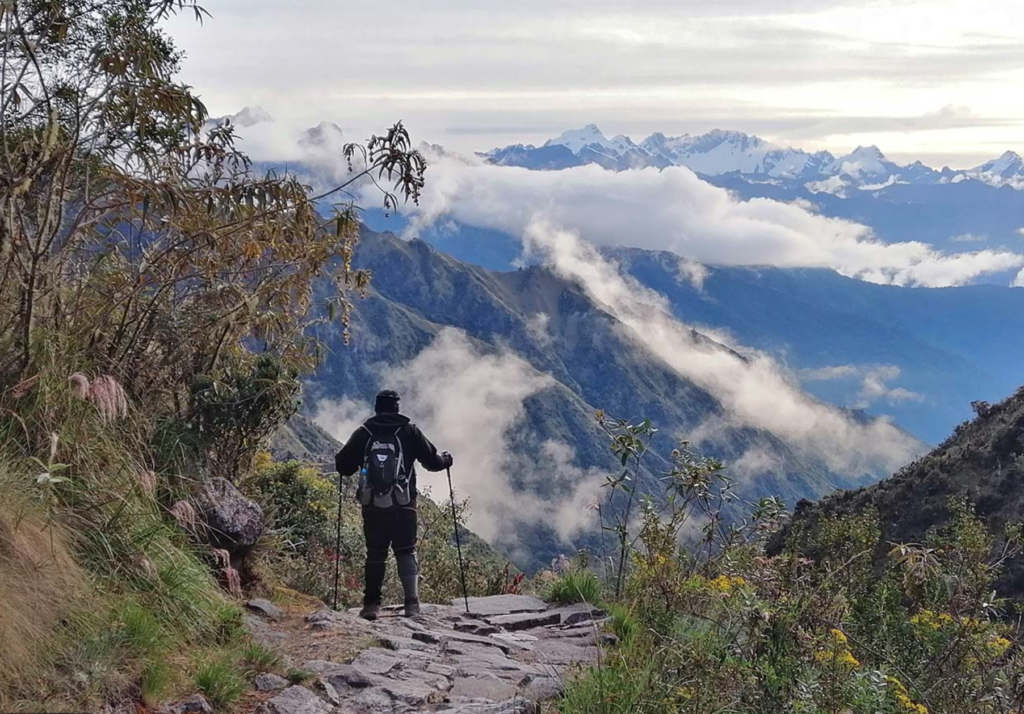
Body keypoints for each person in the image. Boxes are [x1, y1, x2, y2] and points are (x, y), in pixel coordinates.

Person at [335, 389, 453, 620]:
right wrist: (447, 460)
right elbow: (432, 462)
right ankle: (412, 604)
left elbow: (344, 466)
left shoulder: (364, 432)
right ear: (397, 407)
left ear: (377, 407)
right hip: (404, 504)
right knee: (406, 551)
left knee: (375, 553)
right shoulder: (409, 431)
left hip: (373, 506)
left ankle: (371, 605)